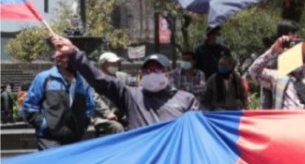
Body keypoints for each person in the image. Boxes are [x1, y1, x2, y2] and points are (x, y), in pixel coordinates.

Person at [52, 37, 198, 129]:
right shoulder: (131, 96)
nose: (152, 73)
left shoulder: (186, 99)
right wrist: (73, 53)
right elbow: (99, 79)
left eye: (157, 69)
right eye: (147, 70)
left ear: (168, 72)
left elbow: (197, 130)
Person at [23, 51, 94, 149]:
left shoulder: (83, 82)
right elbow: (29, 106)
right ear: (59, 60)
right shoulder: (44, 78)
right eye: (71, 57)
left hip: (75, 138)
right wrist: (44, 125)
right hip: (49, 138)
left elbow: (89, 106)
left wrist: (83, 125)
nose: (76, 60)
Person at [249, 21, 305, 110]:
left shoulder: (304, 74)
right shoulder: (275, 76)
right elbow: (253, 71)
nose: (293, 47)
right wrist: (273, 50)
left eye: (296, 42)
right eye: (289, 44)